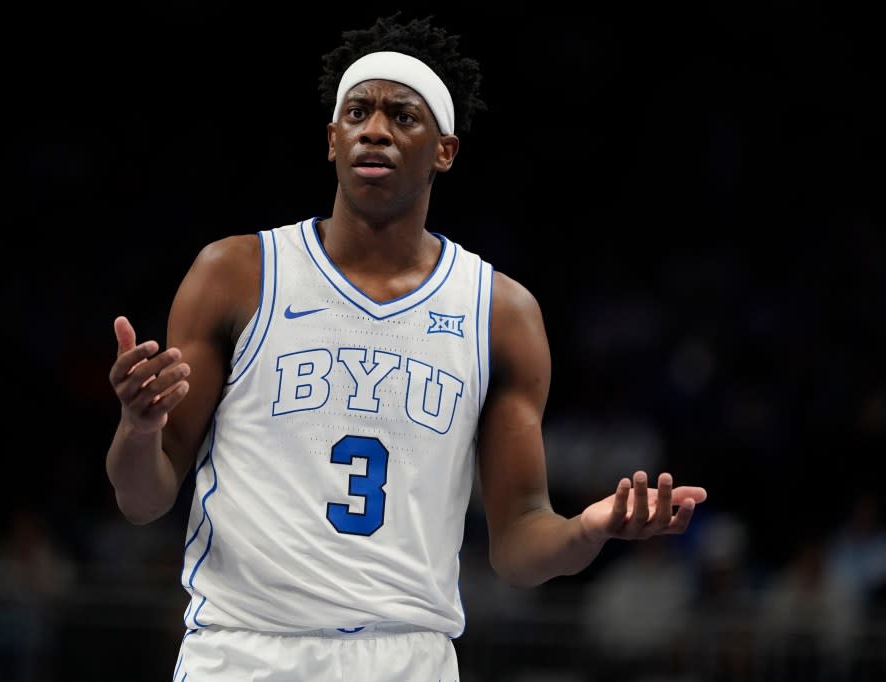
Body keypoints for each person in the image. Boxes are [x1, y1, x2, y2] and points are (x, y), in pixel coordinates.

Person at [105, 13, 708, 681]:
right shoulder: (235, 274)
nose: (376, 129)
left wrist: (587, 531)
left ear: (444, 150)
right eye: (357, 111)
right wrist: (137, 429)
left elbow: (517, 545)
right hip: (245, 649)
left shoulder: (499, 312)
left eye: (402, 115)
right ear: (332, 140)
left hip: (408, 657)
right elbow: (145, 497)